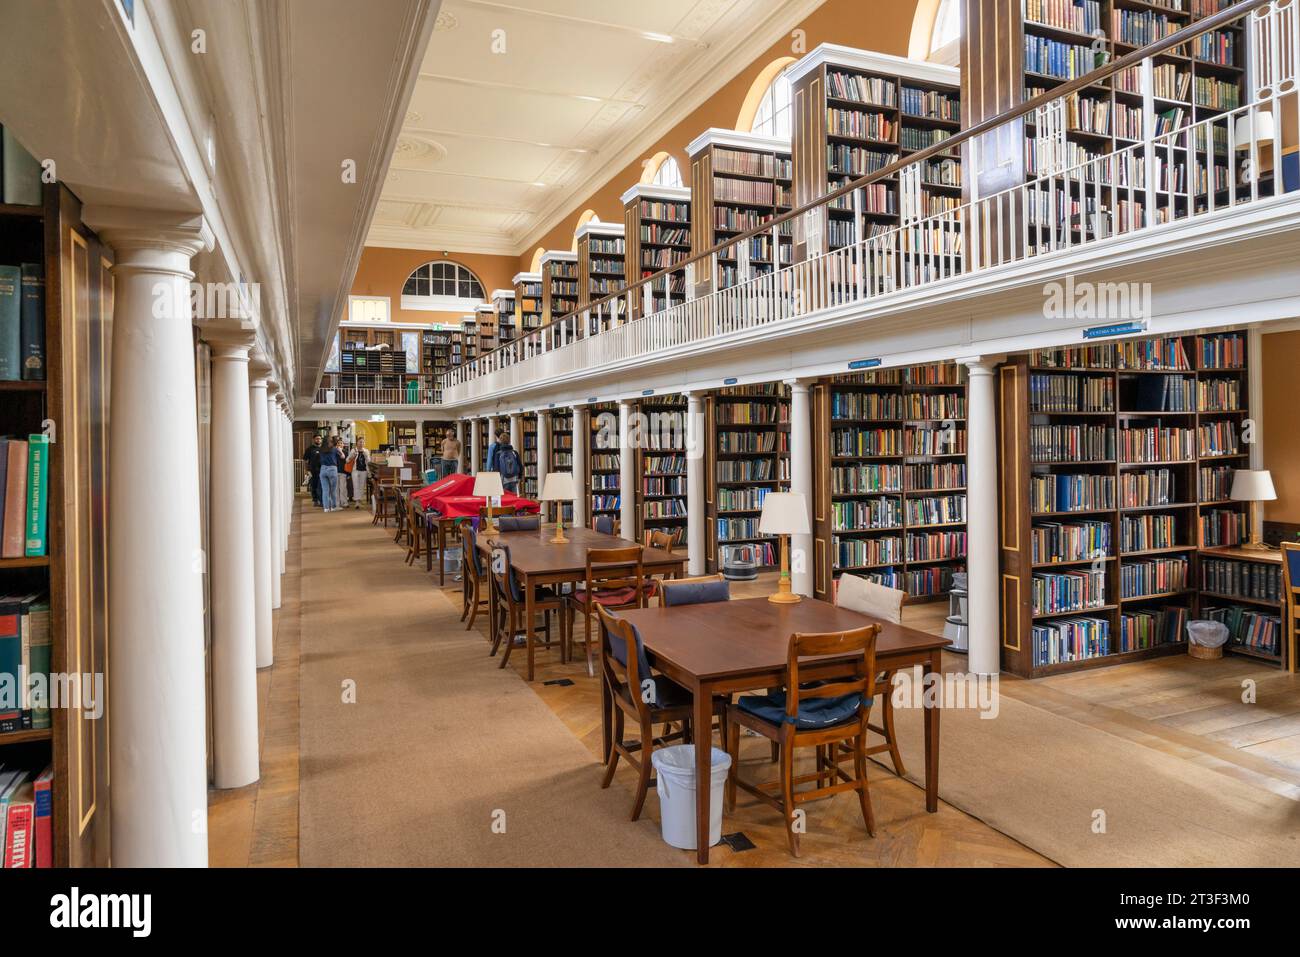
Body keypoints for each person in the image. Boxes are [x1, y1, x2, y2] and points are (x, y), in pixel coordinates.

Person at [319, 438, 343, 512]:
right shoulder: (334, 449)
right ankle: (333, 507)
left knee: (325, 490)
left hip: (323, 469)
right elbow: (342, 457)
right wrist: (340, 450)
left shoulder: (320, 449)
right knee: (333, 490)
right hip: (332, 469)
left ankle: (326, 508)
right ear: (330, 442)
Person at [347, 436, 369, 509]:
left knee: (362, 486)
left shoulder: (366, 451)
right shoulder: (353, 450)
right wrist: (353, 456)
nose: (361, 443)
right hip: (355, 470)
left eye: (363, 442)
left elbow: (369, 461)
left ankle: (359, 500)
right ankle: (356, 502)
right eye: (360, 442)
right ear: (357, 443)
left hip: (364, 470)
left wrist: (365, 455)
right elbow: (347, 460)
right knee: (356, 485)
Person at [303, 434, 324, 507]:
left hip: (323, 470)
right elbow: (305, 460)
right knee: (314, 485)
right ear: (314, 440)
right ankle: (315, 500)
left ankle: (321, 500)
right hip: (313, 470)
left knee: (321, 486)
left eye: (320, 439)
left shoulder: (323, 448)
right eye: (317, 439)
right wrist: (306, 470)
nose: (318, 440)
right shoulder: (309, 449)